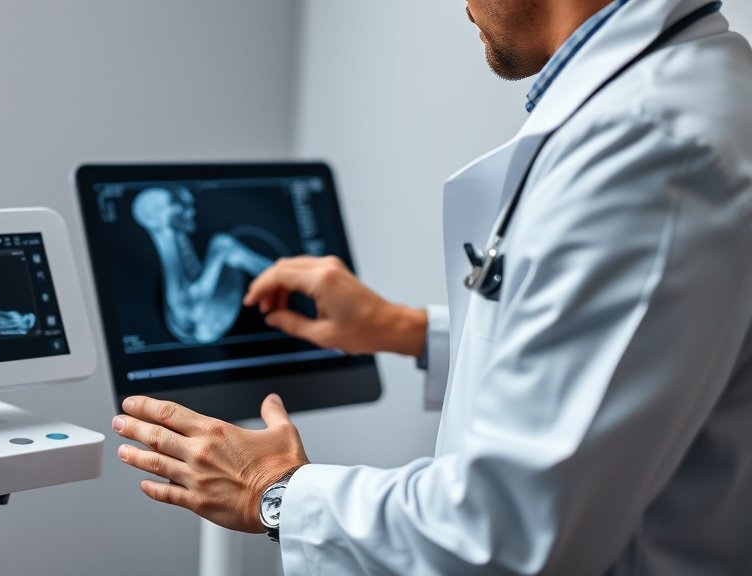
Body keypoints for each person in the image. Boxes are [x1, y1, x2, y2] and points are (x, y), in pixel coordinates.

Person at [111, 0, 752, 573]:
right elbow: (635, 353)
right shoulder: (700, 81)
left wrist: (276, 492)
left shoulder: (646, 148)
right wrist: (404, 330)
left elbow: (508, 531)